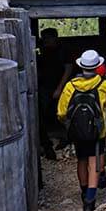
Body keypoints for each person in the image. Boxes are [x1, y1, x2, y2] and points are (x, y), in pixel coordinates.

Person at [57, 50, 106, 211]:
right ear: (98, 66)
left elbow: (61, 112)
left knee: (82, 160)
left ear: (81, 66)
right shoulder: (104, 85)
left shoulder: (70, 86)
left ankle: (84, 192)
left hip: (77, 133)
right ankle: (90, 201)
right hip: (98, 132)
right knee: (95, 163)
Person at [36, 28, 73, 158]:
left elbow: (68, 69)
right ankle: (46, 143)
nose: (45, 41)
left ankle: (67, 139)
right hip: (44, 87)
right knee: (43, 114)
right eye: (44, 39)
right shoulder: (42, 50)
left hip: (60, 86)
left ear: (55, 38)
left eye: (48, 38)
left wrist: (59, 88)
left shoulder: (63, 50)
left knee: (63, 113)